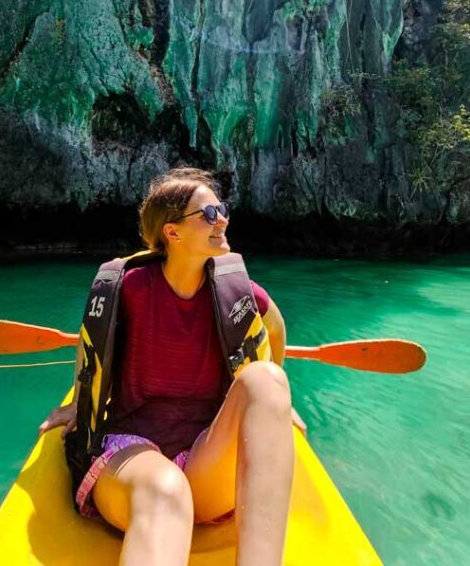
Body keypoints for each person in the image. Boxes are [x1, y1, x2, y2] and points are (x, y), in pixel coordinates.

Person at [38, 168, 303, 566]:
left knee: (267, 380)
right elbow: (91, 340)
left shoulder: (239, 293)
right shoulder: (129, 288)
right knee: (166, 488)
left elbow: (274, 328)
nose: (223, 220)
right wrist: (80, 402)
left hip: (204, 459)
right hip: (134, 458)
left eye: (222, 209)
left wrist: (275, 406)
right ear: (172, 233)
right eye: (208, 214)